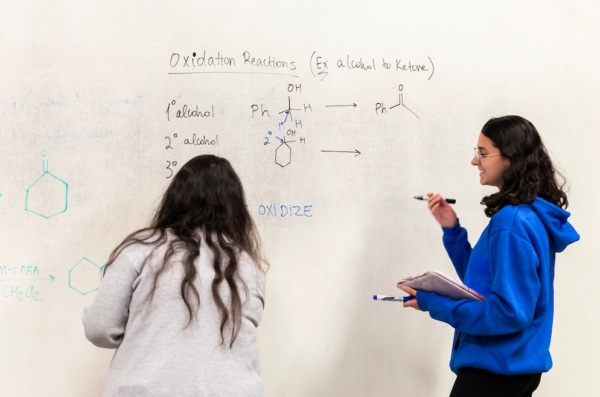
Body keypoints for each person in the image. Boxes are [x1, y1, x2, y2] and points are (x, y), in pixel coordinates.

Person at [401, 116, 579, 397]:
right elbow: (483, 285)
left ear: (511, 158)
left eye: (482, 153)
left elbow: (508, 313)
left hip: (493, 374)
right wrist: (453, 231)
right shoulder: (530, 216)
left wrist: (432, 302)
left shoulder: (511, 222)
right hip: (514, 370)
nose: (475, 161)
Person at [82, 155, 268, 397]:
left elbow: (100, 329)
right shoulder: (248, 267)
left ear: (176, 198)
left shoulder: (140, 250)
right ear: (233, 206)